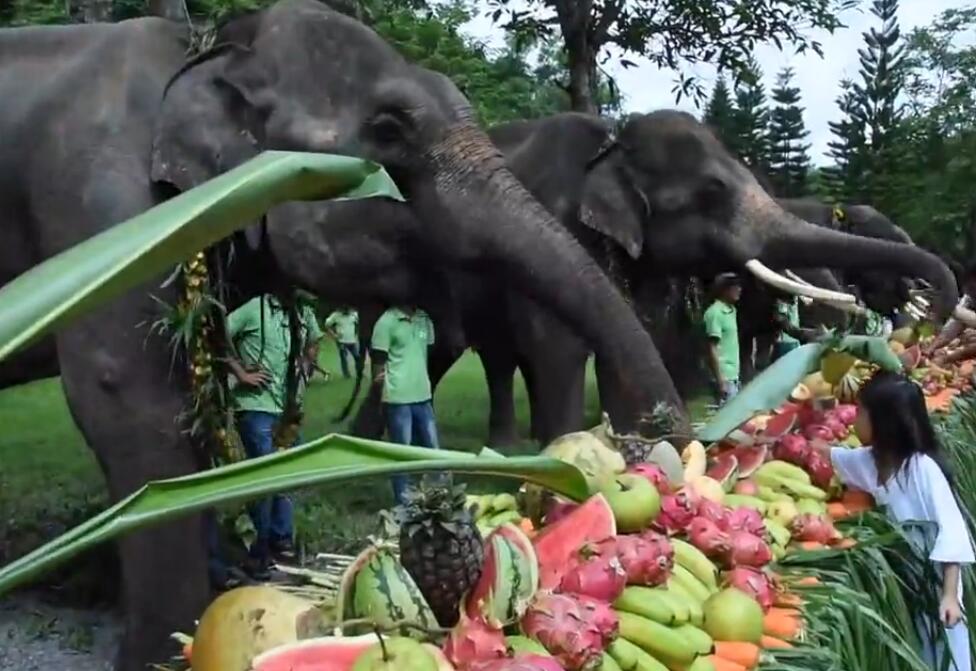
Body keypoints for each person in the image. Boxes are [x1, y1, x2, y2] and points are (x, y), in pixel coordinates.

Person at [819, 372, 973, 671]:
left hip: (936, 582)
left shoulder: (923, 469)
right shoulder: (873, 460)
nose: (853, 418)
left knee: (945, 652)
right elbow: (833, 457)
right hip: (908, 578)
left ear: (882, 422)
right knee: (920, 651)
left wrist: (951, 595)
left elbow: (952, 533)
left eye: (860, 411)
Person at [226, 291, 323, 579]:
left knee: (288, 473)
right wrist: (241, 373)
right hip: (255, 406)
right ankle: (258, 550)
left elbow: (315, 339)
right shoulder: (254, 307)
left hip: (287, 409)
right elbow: (218, 335)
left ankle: (281, 540)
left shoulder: (302, 311)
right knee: (266, 477)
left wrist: (307, 363)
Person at [370, 304, 439, 503]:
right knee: (402, 453)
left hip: (423, 395)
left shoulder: (424, 319)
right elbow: (378, 364)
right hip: (398, 398)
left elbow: (426, 351)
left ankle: (440, 498)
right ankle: (404, 503)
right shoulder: (386, 322)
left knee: (435, 452)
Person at [704, 273, 742, 404]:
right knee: (727, 420)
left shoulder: (732, 310)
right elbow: (712, 348)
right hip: (724, 377)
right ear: (724, 290)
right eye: (734, 287)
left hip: (733, 375)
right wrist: (720, 380)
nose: (739, 290)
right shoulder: (715, 313)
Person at [926, 262, 976, 358]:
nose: (971, 293)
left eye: (973, 289)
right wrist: (930, 349)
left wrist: (951, 309)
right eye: (970, 289)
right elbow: (950, 331)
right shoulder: (969, 299)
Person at [772, 295, 815, 360]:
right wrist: (806, 334)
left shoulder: (798, 300)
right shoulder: (780, 304)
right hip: (784, 343)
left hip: (795, 343)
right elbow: (784, 324)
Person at [325, 307, 360, 378]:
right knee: (344, 358)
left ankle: (359, 372)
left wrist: (356, 333)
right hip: (341, 341)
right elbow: (327, 325)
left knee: (357, 356)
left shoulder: (354, 314)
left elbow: (359, 324)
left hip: (352, 340)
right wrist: (334, 335)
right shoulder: (336, 315)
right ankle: (346, 374)